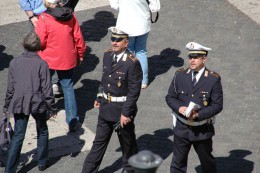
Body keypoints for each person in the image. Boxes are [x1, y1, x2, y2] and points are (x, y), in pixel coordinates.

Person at [81, 27, 143, 173]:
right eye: (113, 39)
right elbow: (104, 79)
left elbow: (134, 91)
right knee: (98, 145)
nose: (114, 42)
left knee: (128, 146)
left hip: (122, 111)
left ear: (126, 43)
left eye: (118, 40)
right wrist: (99, 96)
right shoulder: (107, 55)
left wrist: (126, 113)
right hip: (106, 107)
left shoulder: (132, 62)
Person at [2, 32, 57, 172]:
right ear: (38, 47)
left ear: (24, 45)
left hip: (20, 103)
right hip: (37, 103)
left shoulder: (14, 62)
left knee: (18, 136)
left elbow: (10, 88)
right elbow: (47, 89)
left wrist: (6, 106)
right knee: (42, 130)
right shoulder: (41, 64)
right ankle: (42, 162)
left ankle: (10, 169)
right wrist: (52, 107)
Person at [165, 42, 223, 173]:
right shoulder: (180, 75)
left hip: (202, 130)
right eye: (190, 57)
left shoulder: (213, 80)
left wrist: (198, 115)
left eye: (196, 57)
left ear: (204, 59)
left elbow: (217, 105)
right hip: (181, 127)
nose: (192, 60)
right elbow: (170, 97)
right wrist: (179, 108)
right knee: (177, 163)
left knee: (207, 162)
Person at [35, 0, 86, 132]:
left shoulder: (44, 18)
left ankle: (46, 111)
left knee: (44, 85)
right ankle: (72, 120)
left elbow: (40, 40)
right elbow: (78, 37)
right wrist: (80, 54)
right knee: (68, 87)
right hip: (67, 58)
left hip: (48, 58)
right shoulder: (71, 15)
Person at [109, 0, 160, 89]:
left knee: (128, 53)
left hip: (126, 26)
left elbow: (114, 5)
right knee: (141, 51)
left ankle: (130, 80)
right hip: (143, 24)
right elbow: (155, 7)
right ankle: (143, 81)